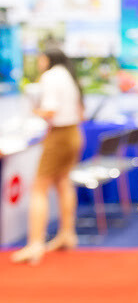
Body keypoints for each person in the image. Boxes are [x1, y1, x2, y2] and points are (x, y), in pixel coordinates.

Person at [12, 48, 84, 265]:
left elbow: (50, 110)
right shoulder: (68, 75)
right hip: (73, 133)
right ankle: (67, 234)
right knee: (63, 182)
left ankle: (35, 244)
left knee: (39, 188)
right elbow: (81, 112)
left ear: (47, 59)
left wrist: (32, 111)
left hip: (59, 136)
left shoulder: (51, 77)